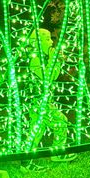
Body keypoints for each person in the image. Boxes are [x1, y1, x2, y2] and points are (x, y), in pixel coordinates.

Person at [27, 28, 70, 158]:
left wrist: (57, 61)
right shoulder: (35, 60)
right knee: (61, 121)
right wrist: (53, 59)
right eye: (47, 39)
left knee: (36, 132)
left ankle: (26, 162)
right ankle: (58, 154)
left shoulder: (41, 59)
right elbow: (47, 78)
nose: (51, 42)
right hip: (40, 102)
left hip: (41, 102)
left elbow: (54, 76)